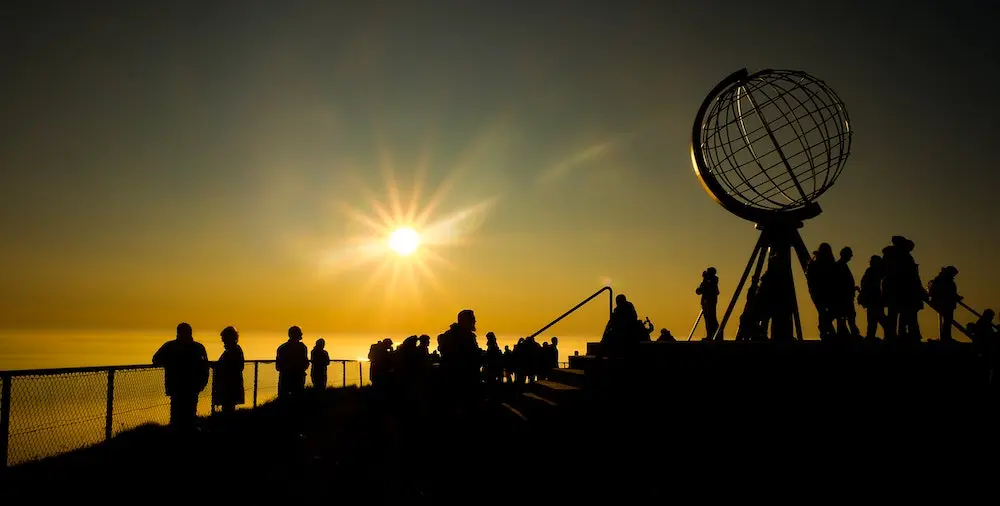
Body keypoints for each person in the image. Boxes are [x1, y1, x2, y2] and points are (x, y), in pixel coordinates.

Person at [153, 323, 209, 429]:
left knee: (181, 415)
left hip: (183, 386)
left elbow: (156, 359)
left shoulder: (171, 346)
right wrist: (202, 383)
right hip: (183, 387)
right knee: (184, 415)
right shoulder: (197, 347)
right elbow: (205, 366)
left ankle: (181, 436)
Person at [211, 326, 245, 414]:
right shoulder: (233, 350)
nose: (222, 340)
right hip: (229, 385)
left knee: (228, 408)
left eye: (224, 337)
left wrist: (216, 366)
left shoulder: (234, 350)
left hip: (229, 385)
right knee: (228, 408)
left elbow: (231, 366)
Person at [276, 326, 309, 399]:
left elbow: (278, 365)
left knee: (286, 398)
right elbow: (305, 362)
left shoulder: (282, 348)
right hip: (293, 376)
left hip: (289, 376)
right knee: (295, 397)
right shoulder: (302, 347)